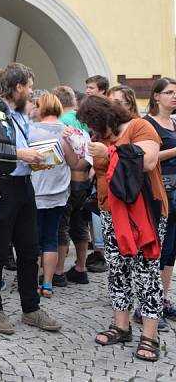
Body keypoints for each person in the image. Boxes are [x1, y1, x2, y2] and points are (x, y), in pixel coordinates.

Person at [80, 95, 167, 362]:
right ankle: (121, 326)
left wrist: (110, 152)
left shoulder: (140, 127)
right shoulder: (99, 138)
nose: (93, 131)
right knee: (117, 269)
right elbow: (85, 170)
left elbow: (149, 161)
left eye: (94, 125)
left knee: (147, 271)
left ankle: (150, 336)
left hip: (143, 211)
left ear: (107, 117)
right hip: (110, 212)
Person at [0, 63, 60, 335]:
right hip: (3, 186)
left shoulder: (21, 114)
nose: (32, 92)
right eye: (30, 86)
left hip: (24, 185)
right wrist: (22, 155)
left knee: (29, 249)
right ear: (18, 87)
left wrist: (39, 155)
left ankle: (30, 309)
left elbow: (23, 142)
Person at [28, 92, 82, 297]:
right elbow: (74, 163)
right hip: (58, 193)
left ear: (39, 108)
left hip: (34, 193)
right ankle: (48, 284)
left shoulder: (30, 130)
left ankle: (31, 282)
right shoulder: (66, 132)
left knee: (33, 240)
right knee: (51, 237)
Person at [52, 85, 92, 287]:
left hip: (68, 179)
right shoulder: (83, 120)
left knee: (62, 226)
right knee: (80, 223)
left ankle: (58, 272)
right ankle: (81, 268)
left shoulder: (60, 123)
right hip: (84, 179)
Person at [143, 78, 176, 323]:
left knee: (171, 250)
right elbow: (147, 158)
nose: (174, 97)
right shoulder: (147, 124)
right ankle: (148, 303)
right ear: (156, 96)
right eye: (169, 92)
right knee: (157, 248)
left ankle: (163, 299)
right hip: (158, 191)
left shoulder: (174, 123)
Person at [84, 75, 110, 274]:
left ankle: (101, 251)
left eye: (91, 87)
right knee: (97, 210)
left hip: (106, 173)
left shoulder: (107, 114)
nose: (87, 90)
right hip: (98, 171)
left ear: (102, 90)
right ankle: (101, 250)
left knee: (100, 213)